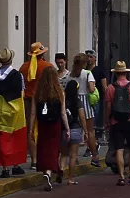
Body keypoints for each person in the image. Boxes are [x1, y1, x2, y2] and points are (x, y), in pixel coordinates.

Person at [0, 48, 28, 176]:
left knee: (1, 138)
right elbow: (22, 93)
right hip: (14, 112)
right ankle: (15, 165)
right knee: (14, 138)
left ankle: (5, 168)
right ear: (11, 60)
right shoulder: (17, 75)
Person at [104, 61, 130, 185]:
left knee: (119, 149)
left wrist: (107, 121)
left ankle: (121, 176)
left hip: (116, 122)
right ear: (126, 73)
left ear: (115, 73)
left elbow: (108, 108)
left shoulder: (110, 88)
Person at [32, 59, 65, 190]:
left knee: (44, 148)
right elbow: (63, 113)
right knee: (53, 149)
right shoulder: (59, 93)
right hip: (55, 124)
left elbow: (33, 114)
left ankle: (45, 171)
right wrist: (67, 128)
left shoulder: (38, 93)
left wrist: (30, 130)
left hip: (42, 124)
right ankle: (49, 172)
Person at [20, 42, 48, 170]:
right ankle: (43, 157)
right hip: (44, 101)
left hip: (28, 100)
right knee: (44, 129)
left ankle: (34, 160)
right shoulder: (48, 67)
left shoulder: (24, 67)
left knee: (30, 130)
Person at [61, 59, 85, 184]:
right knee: (73, 156)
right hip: (76, 129)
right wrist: (85, 130)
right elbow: (82, 116)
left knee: (64, 155)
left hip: (65, 130)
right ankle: (71, 178)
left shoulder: (63, 101)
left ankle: (60, 170)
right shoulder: (78, 101)